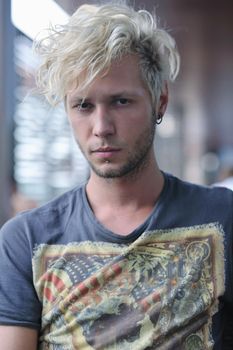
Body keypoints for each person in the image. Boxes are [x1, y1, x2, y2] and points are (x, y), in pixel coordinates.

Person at [0, 2, 232, 349]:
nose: (102, 128)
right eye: (83, 105)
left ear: (161, 101)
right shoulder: (25, 240)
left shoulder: (224, 216)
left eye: (121, 102)